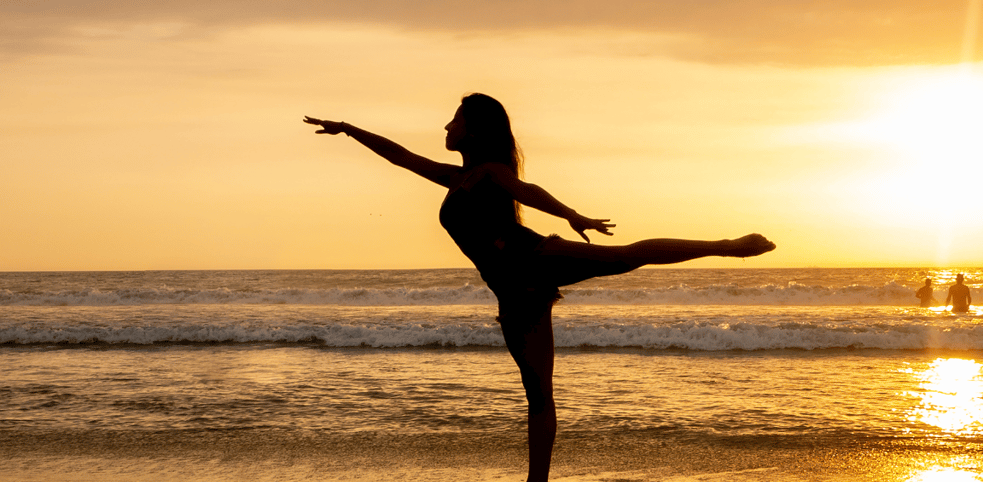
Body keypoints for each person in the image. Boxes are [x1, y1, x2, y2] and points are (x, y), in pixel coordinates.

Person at [304, 93, 776, 482]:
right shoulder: (454, 177)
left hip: (533, 259)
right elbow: (400, 157)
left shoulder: (489, 172)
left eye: (454, 120)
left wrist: (571, 215)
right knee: (539, 395)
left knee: (625, 256)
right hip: (513, 297)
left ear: (475, 129)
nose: (446, 127)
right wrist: (348, 129)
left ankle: (728, 246)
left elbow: (526, 191)